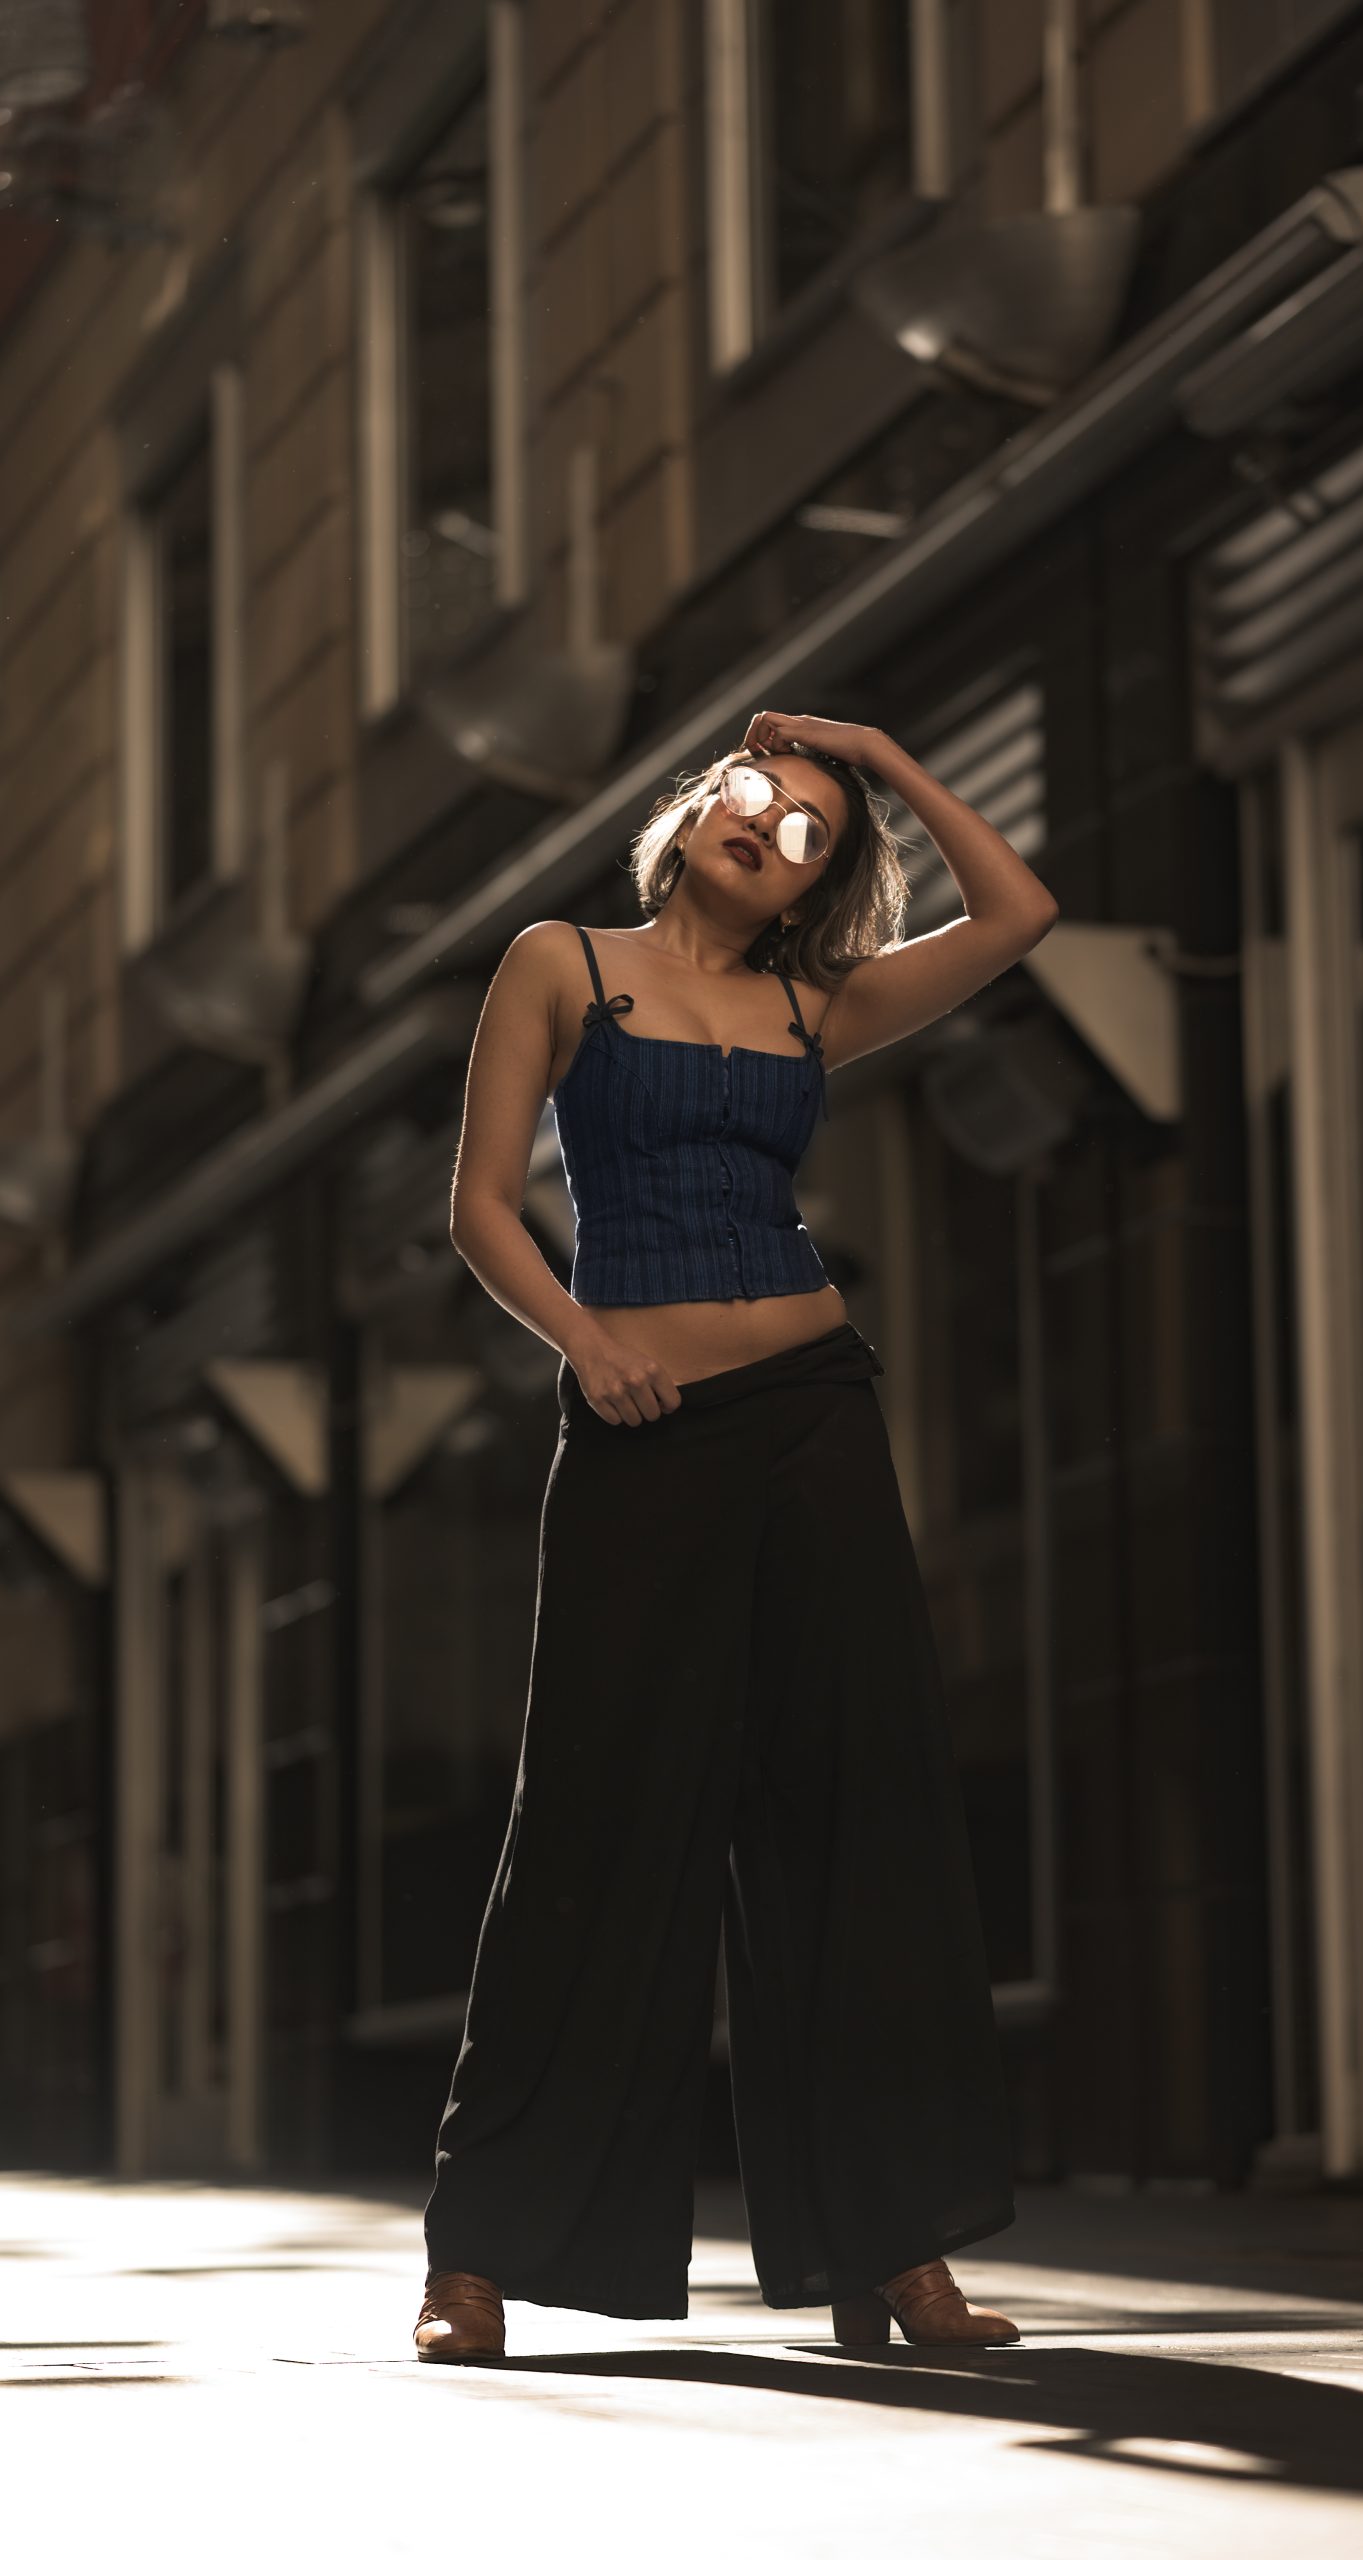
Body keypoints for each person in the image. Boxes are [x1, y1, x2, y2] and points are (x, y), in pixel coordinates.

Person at [415, 707, 1058, 2363]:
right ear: (704, 803)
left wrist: (886, 766)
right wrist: (589, 1341)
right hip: (639, 1426)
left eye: (811, 834)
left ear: (816, 890)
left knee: (861, 1812)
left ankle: (894, 2255)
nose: (772, 823)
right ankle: (477, 2255)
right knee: (595, 1817)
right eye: (758, 794)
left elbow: (1018, 919)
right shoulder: (561, 962)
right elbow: (485, 1201)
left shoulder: (813, 1002)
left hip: (815, 1413)